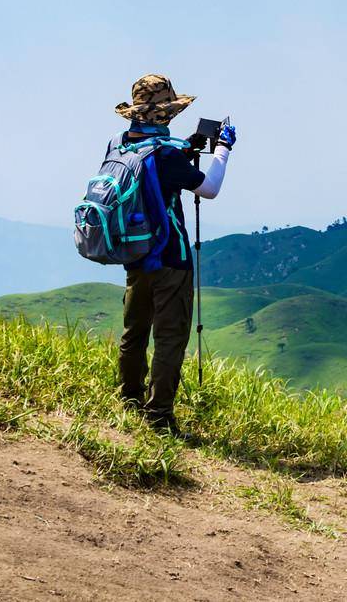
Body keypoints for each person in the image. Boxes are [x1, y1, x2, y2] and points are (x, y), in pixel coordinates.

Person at [110, 73, 235, 431]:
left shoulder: (119, 144)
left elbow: (155, 171)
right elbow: (208, 189)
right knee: (170, 337)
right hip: (170, 258)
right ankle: (159, 416)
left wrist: (187, 149)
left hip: (135, 251)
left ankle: (129, 398)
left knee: (134, 330)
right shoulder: (165, 154)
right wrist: (222, 150)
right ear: (165, 114)